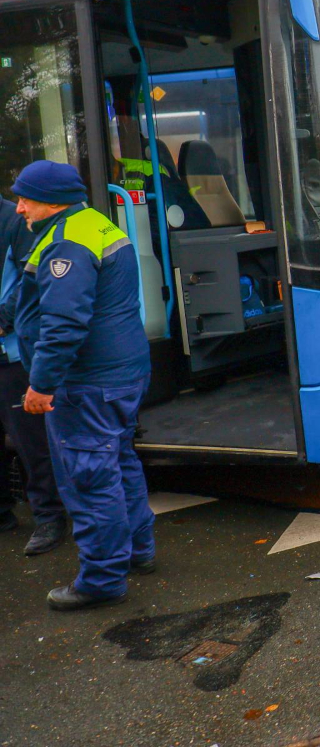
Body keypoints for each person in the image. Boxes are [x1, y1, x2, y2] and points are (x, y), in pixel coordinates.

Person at [11, 161, 153, 611]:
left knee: (90, 477)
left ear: (51, 201)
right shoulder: (94, 223)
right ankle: (137, 551)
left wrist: (42, 384)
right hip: (122, 371)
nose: (19, 209)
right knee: (119, 461)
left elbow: (65, 323)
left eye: (25, 199)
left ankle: (102, 579)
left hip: (87, 381)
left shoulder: (65, 242)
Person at [0, 196, 67, 555]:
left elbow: (31, 283)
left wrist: (2, 320)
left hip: (10, 354)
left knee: (32, 442)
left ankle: (50, 517)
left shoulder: (14, 220)